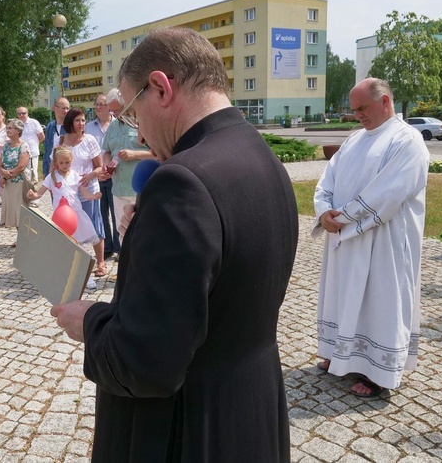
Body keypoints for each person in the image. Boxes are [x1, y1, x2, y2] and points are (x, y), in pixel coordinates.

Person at [50, 27, 298, 462]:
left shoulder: (182, 181)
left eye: (131, 113)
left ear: (161, 88)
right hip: (251, 411)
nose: (140, 134)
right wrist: (146, 233)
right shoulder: (261, 155)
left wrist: (90, 322)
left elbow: (145, 360)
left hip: (190, 429)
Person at [312, 78, 429, 398]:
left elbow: (389, 192)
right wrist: (324, 211)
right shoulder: (353, 140)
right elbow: (328, 180)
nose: (358, 115)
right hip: (345, 237)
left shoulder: (408, 141)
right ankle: (341, 355)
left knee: (379, 300)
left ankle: (380, 374)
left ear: (386, 102)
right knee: (344, 294)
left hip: (384, 241)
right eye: (354, 110)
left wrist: (344, 219)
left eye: (363, 108)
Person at [28, 145, 102, 289]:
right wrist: (33, 195)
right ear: (56, 162)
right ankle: (65, 276)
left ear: (71, 161)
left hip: (76, 216)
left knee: (80, 247)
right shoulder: (51, 178)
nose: (64, 165)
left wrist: (93, 196)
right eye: (61, 163)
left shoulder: (75, 175)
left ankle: (87, 278)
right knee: (64, 248)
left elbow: (84, 193)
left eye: (67, 162)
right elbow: (40, 193)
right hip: (60, 219)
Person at [103, 88, 155, 242]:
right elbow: (107, 151)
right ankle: (125, 261)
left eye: (118, 110)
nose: (116, 115)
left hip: (138, 190)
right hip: (118, 189)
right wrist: (107, 165)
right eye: (112, 112)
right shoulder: (113, 126)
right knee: (122, 232)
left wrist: (135, 154)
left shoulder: (141, 123)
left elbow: (160, 154)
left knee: (140, 234)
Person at [61, 108, 107, 277]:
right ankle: (76, 263)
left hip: (89, 189)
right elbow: (55, 165)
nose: (81, 124)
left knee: (94, 225)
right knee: (70, 227)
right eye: (77, 120)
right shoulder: (62, 140)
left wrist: (90, 175)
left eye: (83, 120)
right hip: (69, 193)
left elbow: (100, 166)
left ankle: (101, 262)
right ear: (70, 122)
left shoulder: (89, 140)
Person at [85, 94, 120, 260]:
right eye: (96, 104)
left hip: (116, 174)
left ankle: (120, 247)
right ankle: (107, 248)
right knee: (101, 213)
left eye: (102, 104)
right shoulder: (89, 127)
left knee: (117, 213)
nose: (98, 107)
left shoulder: (118, 124)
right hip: (96, 176)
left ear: (109, 107)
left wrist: (109, 170)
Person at [0, 118, 29, 242]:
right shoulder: (5, 147)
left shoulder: (23, 146)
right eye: (7, 128)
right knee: (14, 212)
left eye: (10, 128)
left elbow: (21, 166)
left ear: (18, 130)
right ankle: (20, 238)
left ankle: (25, 239)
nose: (7, 130)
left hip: (20, 183)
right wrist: (2, 172)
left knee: (20, 211)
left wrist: (5, 176)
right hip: (9, 184)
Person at [42, 97, 70, 177]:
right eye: (63, 108)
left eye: (67, 108)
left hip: (65, 169)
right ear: (54, 108)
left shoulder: (71, 127)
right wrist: (45, 171)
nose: (66, 111)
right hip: (51, 169)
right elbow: (47, 150)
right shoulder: (50, 126)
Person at [16, 106, 44, 177]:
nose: (21, 115)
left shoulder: (34, 122)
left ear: (27, 113)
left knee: (32, 175)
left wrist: (34, 145)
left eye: (23, 113)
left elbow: (42, 137)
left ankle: (33, 188)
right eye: (19, 114)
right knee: (22, 175)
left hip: (32, 153)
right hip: (19, 153)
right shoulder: (16, 124)